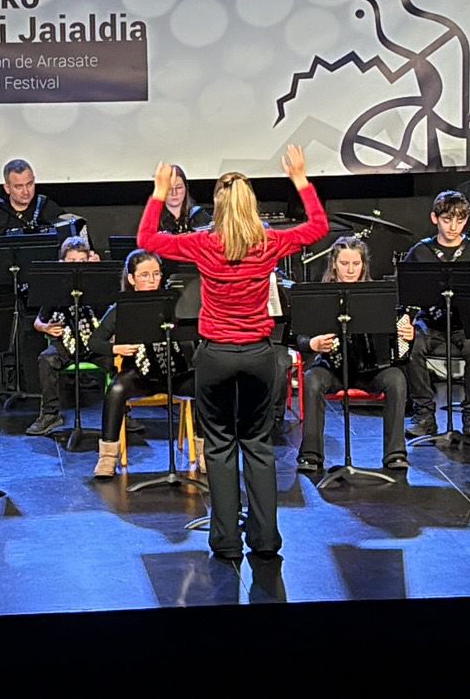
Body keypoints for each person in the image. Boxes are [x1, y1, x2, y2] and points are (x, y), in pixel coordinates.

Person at [139, 146, 329, 561]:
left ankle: (226, 542)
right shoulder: (269, 242)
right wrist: (300, 178)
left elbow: (147, 240)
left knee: (220, 446)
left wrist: (158, 192)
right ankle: (265, 540)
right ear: (251, 204)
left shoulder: (205, 243)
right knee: (258, 445)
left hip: (216, 357)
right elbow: (318, 227)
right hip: (259, 356)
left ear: (219, 206)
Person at [295, 237, 413, 474]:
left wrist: (406, 336)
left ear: (363, 265)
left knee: (396, 378)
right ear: (333, 264)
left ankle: (395, 454)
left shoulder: (378, 295)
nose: (350, 270)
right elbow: (299, 337)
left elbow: (395, 337)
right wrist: (313, 343)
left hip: (372, 370)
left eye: (356, 264)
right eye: (344, 263)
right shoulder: (319, 296)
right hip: (333, 369)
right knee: (312, 379)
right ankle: (310, 455)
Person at [87, 250, 194, 478]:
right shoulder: (121, 308)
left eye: (156, 274)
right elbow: (94, 342)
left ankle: (205, 454)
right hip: (139, 377)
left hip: (173, 374)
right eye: (145, 275)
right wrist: (117, 349)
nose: (152, 280)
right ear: (132, 279)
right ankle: (107, 457)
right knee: (116, 389)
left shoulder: (174, 303)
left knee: (205, 384)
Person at [403, 190, 470, 443]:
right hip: (431, 323)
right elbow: (405, 294)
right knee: (412, 345)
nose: (453, 227)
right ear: (435, 218)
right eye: (447, 220)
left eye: (460, 220)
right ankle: (424, 414)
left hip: (466, 324)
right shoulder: (421, 251)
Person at [26, 236, 102, 437]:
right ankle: (50, 414)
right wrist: (46, 328)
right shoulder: (55, 289)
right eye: (72, 261)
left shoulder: (98, 285)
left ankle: (122, 413)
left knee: (118, 360)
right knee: (46, 359)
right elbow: (38, 321)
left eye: (82, 261)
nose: (77, 266)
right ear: (62, 263)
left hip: (94, 343)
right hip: (65, 344)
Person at [0, 158, 67, 253]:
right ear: (7, 188)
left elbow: (70, 240)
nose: (26, 192)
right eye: (19, 187)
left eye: (29, 184)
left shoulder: (47, 207)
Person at [157, 165, 211, 234]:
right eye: (169, 188)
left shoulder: (198, 215)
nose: (174, 193)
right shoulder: (154, 219)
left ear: (186, 188)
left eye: (179, 187)